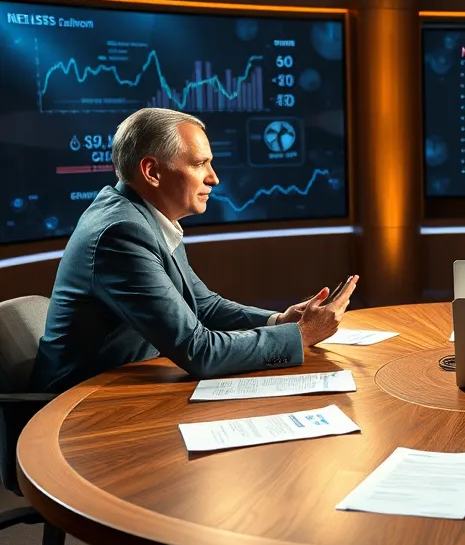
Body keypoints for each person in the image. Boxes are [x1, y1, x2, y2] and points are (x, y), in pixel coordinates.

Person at [32, 107, 357, 394]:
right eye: (200, 164)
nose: (213, 178)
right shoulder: (122, 233)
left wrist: (278, 321)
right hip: (78, 406)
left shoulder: (144, 215)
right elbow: (199, 351)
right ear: (152, 172)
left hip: (126, 383)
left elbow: (202, 306)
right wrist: (299, 336)